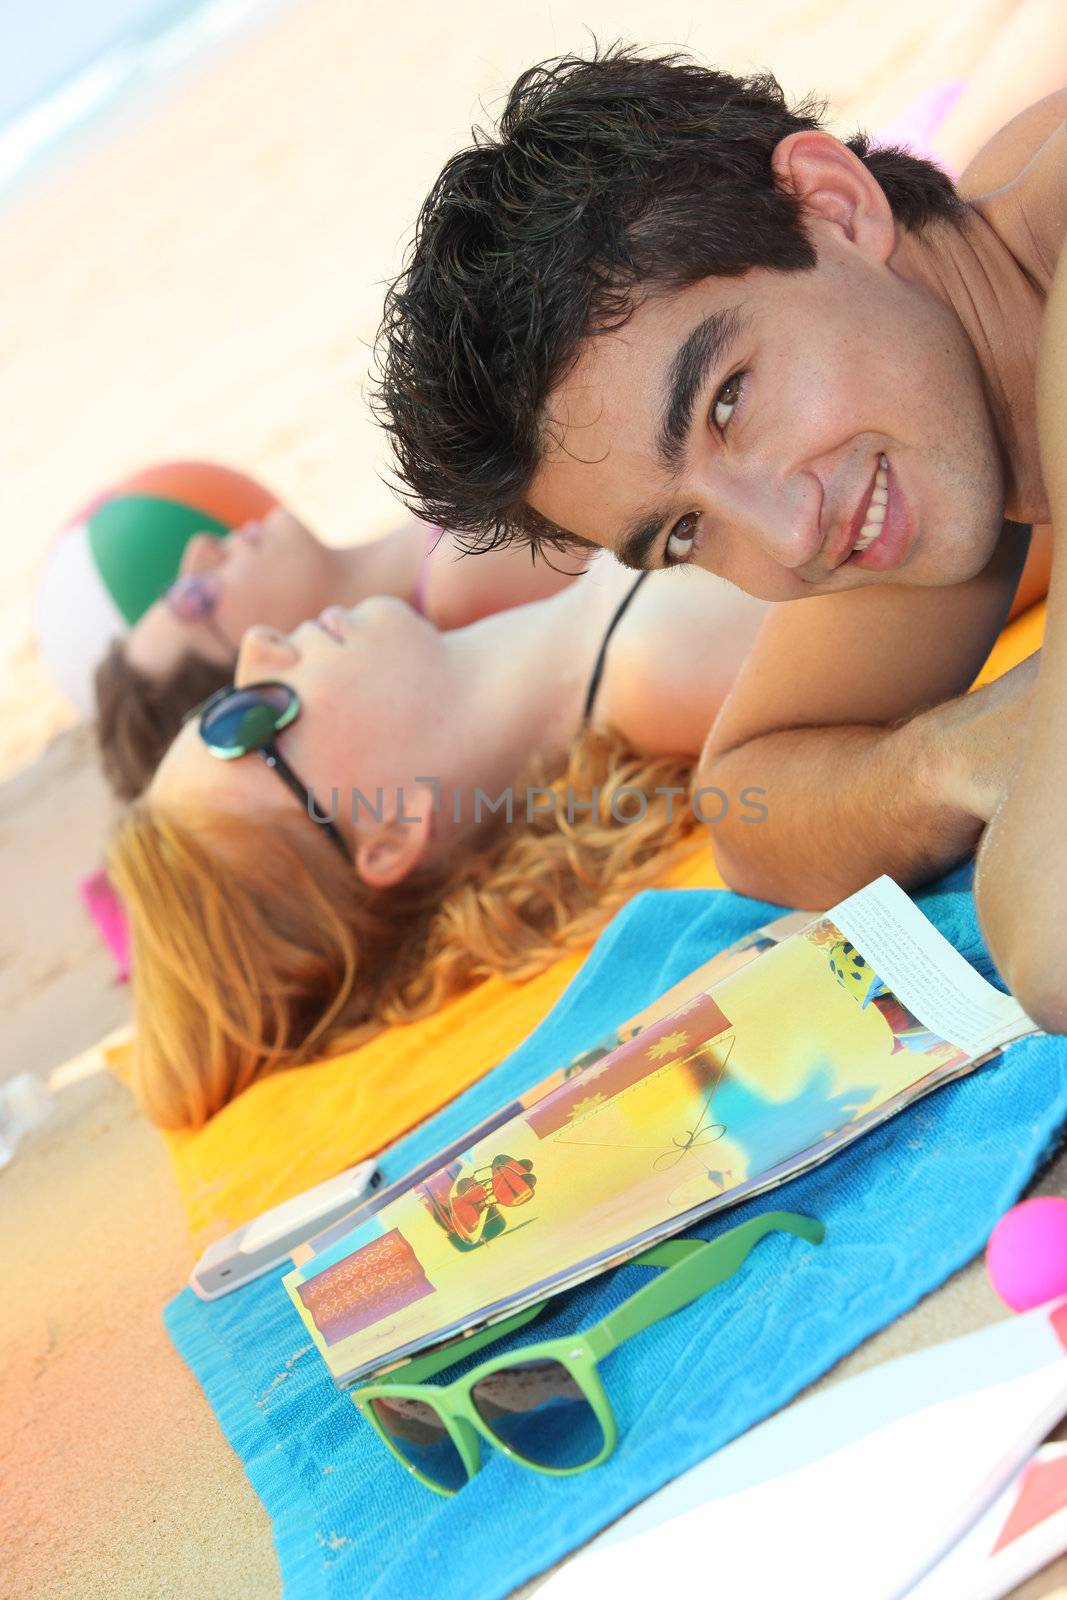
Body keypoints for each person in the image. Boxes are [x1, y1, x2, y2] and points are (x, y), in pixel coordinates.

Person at [371, 46, 1067, 1028]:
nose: (788, 541)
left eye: (729, 400)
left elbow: (1052, 946)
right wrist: (946, 755)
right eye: (685, 531)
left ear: (833, 204)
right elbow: (750, 799)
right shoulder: (936, 382)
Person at [107, 556, 767, 1128]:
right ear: (388, 831)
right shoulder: (672, 661)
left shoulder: (533, 600)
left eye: (220, 698)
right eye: (243, 717)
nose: (256, 646)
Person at [95, 504, 585, 800]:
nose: (202, 548)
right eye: (196, 597)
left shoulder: (443, 565)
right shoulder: (470, 577)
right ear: (265, 668)